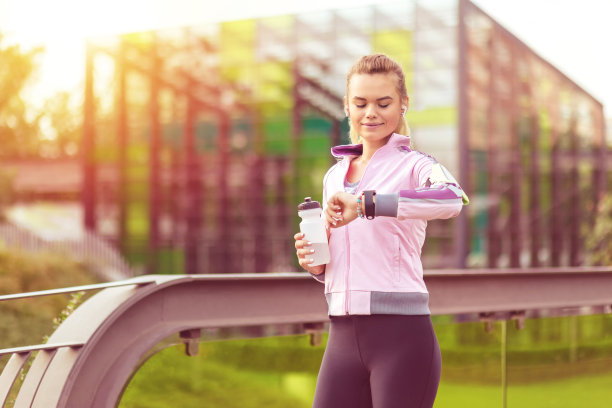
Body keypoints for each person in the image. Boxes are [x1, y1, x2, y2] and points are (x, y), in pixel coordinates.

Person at [293, 54, 469, 408]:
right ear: (346, 107)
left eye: (383, 103)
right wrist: (317, 265)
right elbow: (347, 255)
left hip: (402, 336)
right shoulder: (333, 177)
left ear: (404, 104)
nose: (370, 112)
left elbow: (453, 198)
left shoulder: (416, 165)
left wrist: (366, 205)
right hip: (341, 336)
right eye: (360, 103)